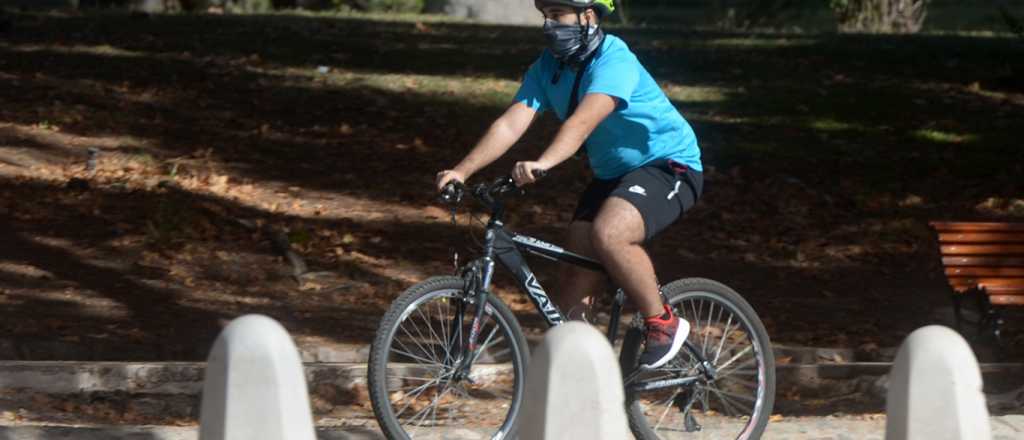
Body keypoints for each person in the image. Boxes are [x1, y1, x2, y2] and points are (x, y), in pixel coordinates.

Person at [435, 0, 703, 370]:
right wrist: (462, 171)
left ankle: (664, 324)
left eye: (558, 16)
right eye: (545, 16)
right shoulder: (547, 68)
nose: (549, 26)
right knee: (577, 256)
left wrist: (543, 163)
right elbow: (511, 123)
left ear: (588, 16)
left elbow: (582, 122)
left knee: (610, 233)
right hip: (612, 176)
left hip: (669, 166)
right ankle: (579, 366)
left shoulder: (614, 60)